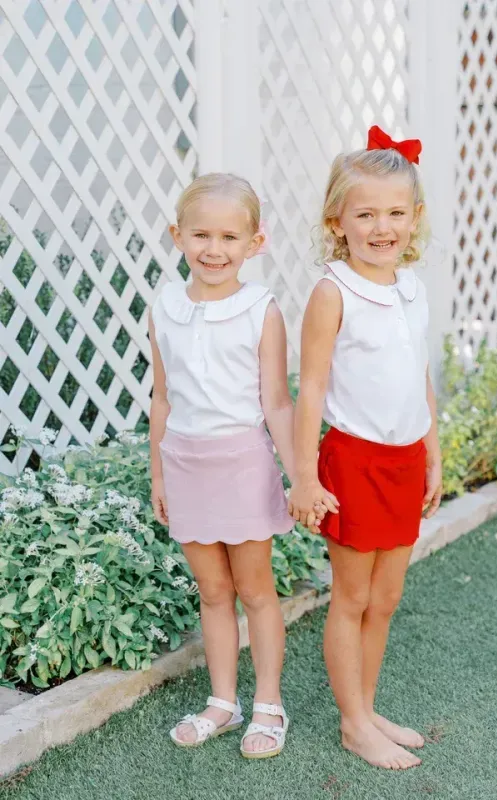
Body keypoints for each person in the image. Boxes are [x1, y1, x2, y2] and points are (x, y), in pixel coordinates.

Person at [149, 173, 320, 759]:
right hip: (186, 464)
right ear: (178, 236)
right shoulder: (165, 306)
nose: (213, 249)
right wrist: (158, 473)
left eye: (228, 236)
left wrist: (302, 475)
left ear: (254, 242)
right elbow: (162, 397)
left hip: (243, 464)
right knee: (213, 590)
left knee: (254, 589)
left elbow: (277, 400)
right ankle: (223, 703)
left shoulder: (260, 310)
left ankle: (269, 705)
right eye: (201, 234)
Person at [288, 126, 443, 770]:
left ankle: (368, 705)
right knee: (351, 598)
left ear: (415, 218)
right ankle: (353, 724)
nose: (383, 227)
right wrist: (303, 476)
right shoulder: (333, 293)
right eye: (367, 213)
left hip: (406, 460)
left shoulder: (413, 288)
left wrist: (433, 451)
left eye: (396, 213)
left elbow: (419, 375)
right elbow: (311, 389)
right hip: (353, 462)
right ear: (338, 220)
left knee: (386, 600)